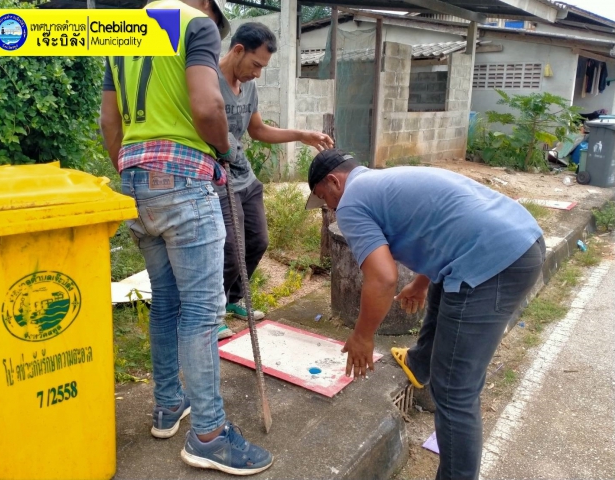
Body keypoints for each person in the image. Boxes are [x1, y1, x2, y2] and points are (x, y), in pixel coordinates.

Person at [100, 0, 273, 475]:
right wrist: (225, 151)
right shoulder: (193, 24)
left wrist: (131, 166)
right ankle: (209, 434)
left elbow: (108, 124)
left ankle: (167, 407)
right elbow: (208, 104)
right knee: (201, 311)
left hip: (135, 181)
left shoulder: (124, 31)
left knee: (168, 304)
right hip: (183, 180)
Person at [305, 149, 545, 480]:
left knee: (455, 391)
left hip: (495, 261)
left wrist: (362, 335)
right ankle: (419, 362)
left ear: (334, 181)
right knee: (446, 287)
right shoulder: (382, 182)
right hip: (521, 237)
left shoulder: (351, 203)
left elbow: (383, 277)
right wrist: (420, 283)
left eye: (323, 197)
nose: (329, 207)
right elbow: (443, 231)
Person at [215, 22, 334, 340]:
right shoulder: (207, 79)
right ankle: (211, 313)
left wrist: (302, 134)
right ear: (238, 50)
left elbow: (257, 130)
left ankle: (232, 300)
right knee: (228, 248)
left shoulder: (248, 87)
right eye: (256, 65)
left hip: (243, 174)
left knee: (257, 241)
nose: (257, 74)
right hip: (215, 176)